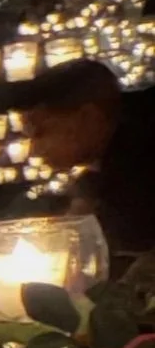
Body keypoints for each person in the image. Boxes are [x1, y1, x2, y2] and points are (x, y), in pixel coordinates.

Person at [18, 57, 155, 260]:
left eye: (41, 133)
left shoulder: (139, 169)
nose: (34, 150)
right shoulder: (114, 157)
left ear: (88, 118)